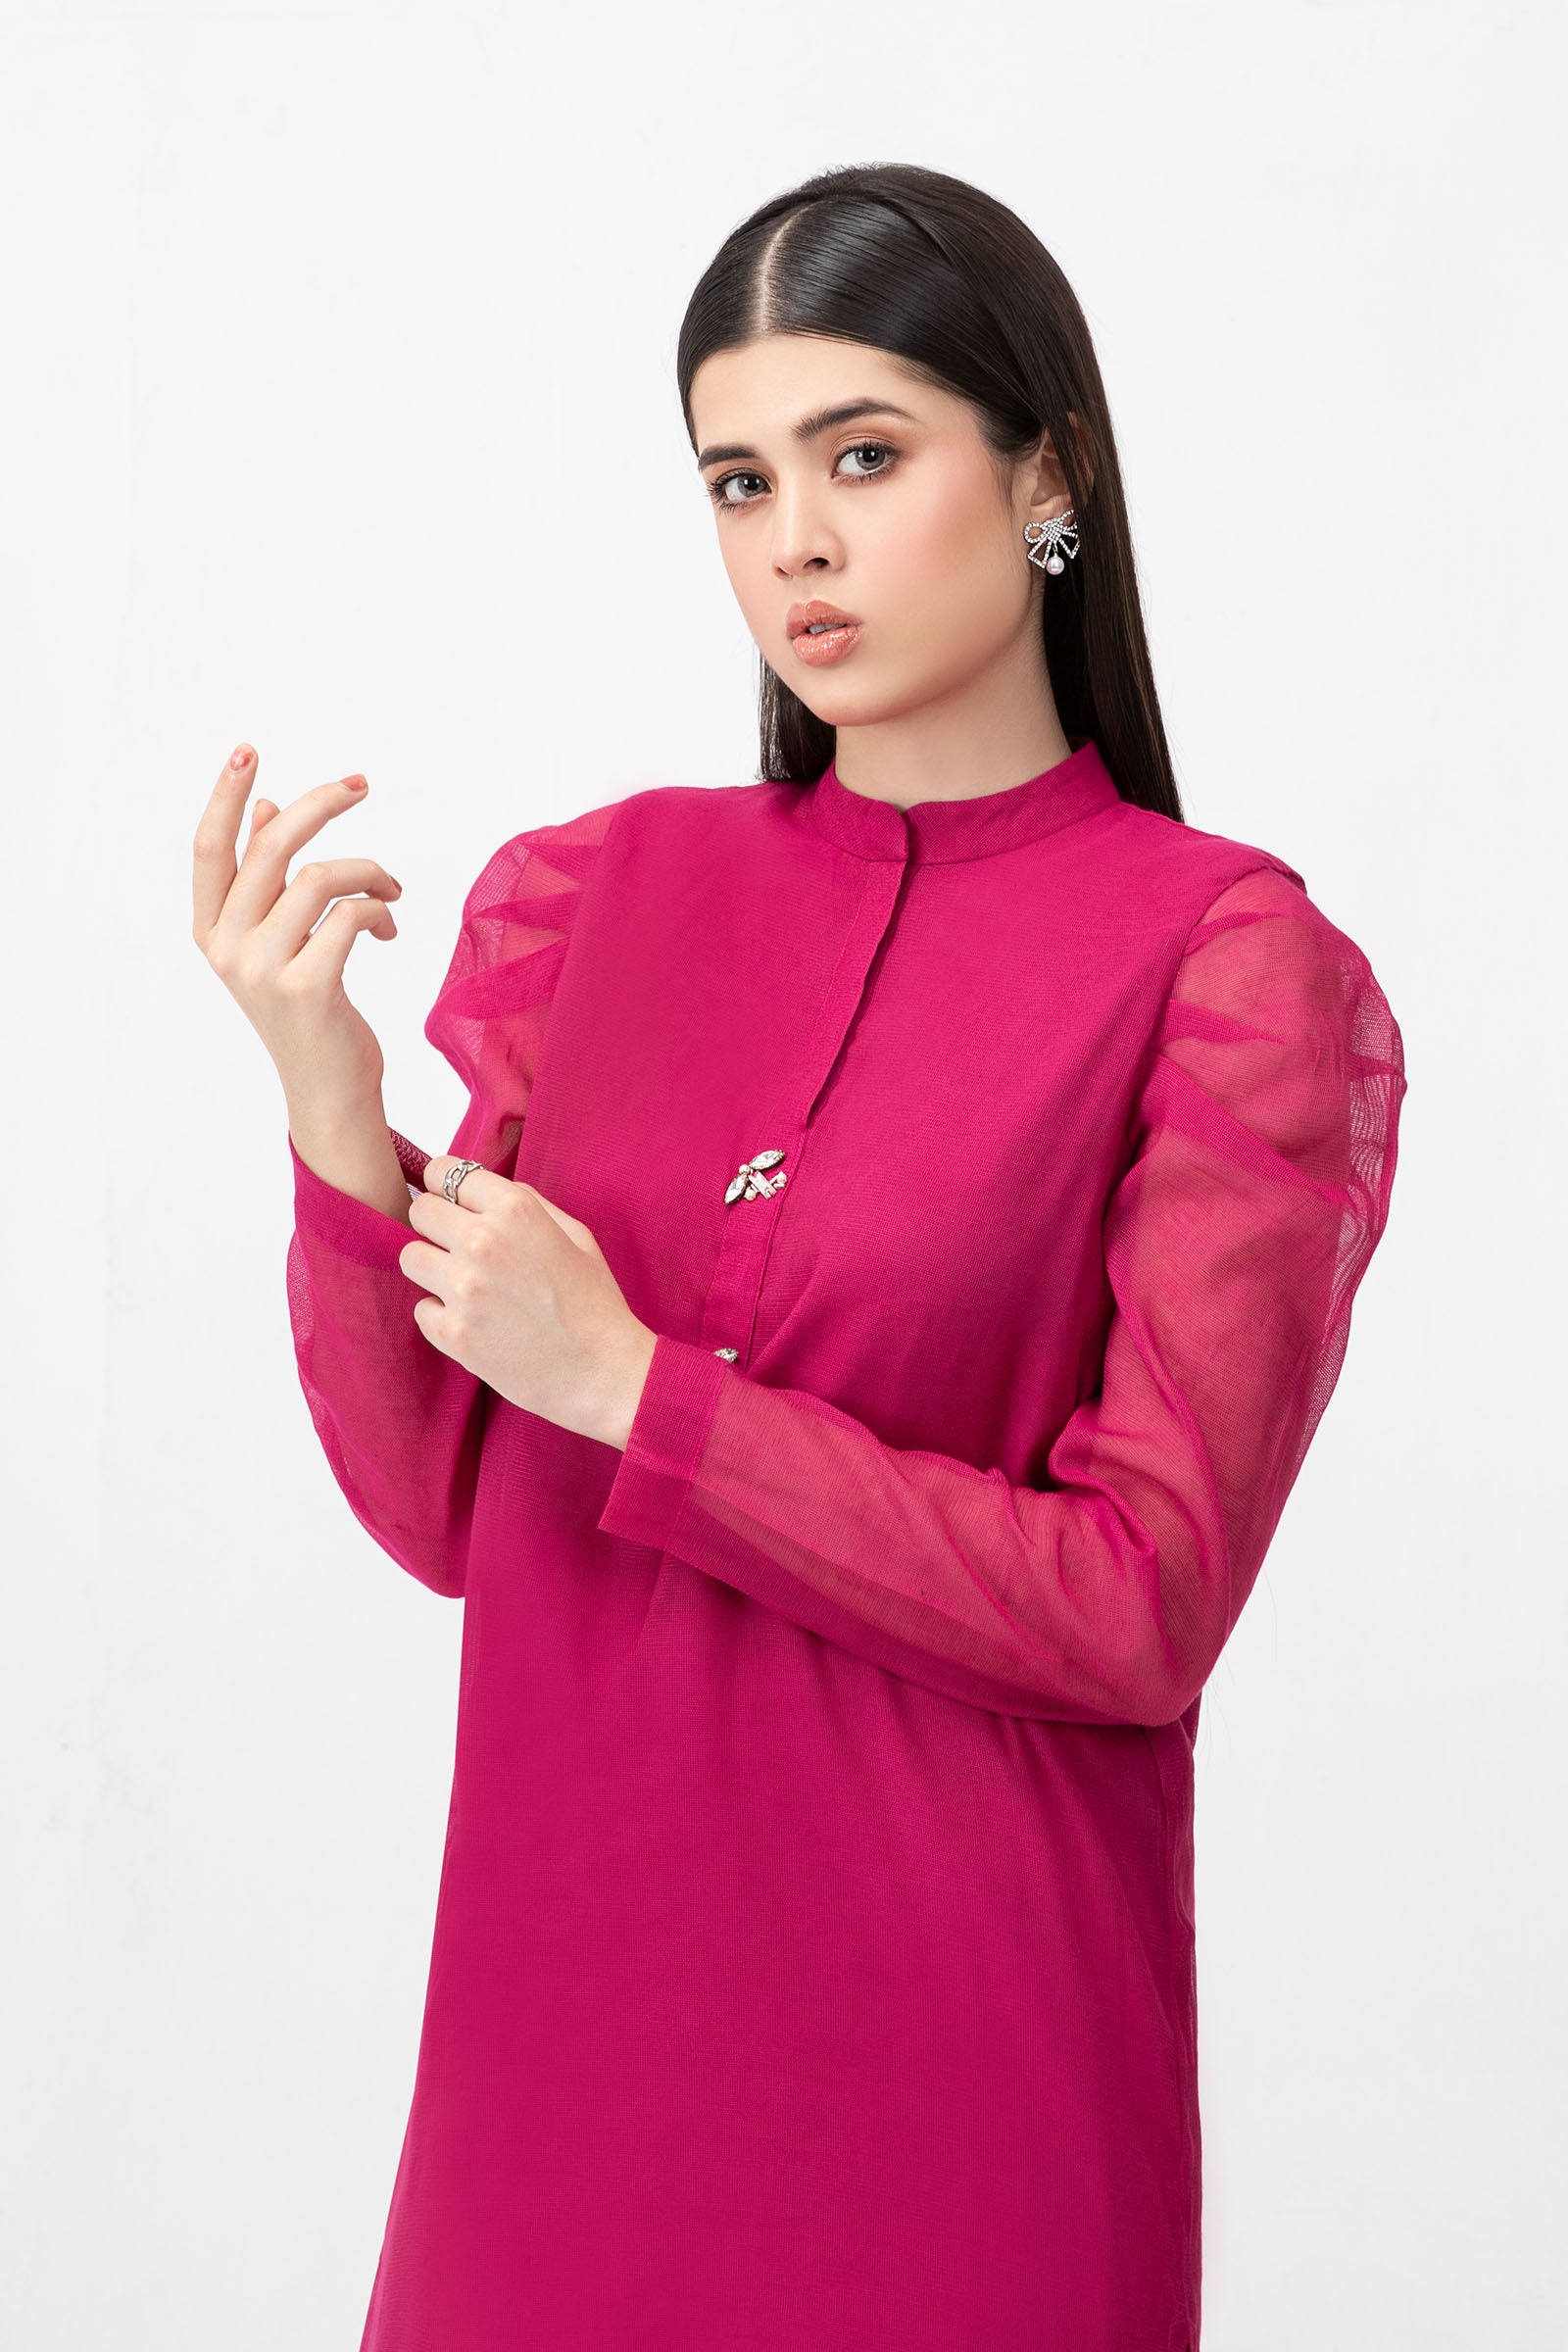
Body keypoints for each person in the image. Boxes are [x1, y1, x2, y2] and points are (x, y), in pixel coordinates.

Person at [192, 162, 1406, 2352]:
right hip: (556, 2072)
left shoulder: (1216, 965)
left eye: (863, 456)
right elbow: (451, 1511)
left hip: (964, 2093)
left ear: (1046, 474)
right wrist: (331, 1113)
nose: (794, 544)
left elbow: (1139, 1606)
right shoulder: (595, 904)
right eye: (740, 481)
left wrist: (644, 1393)